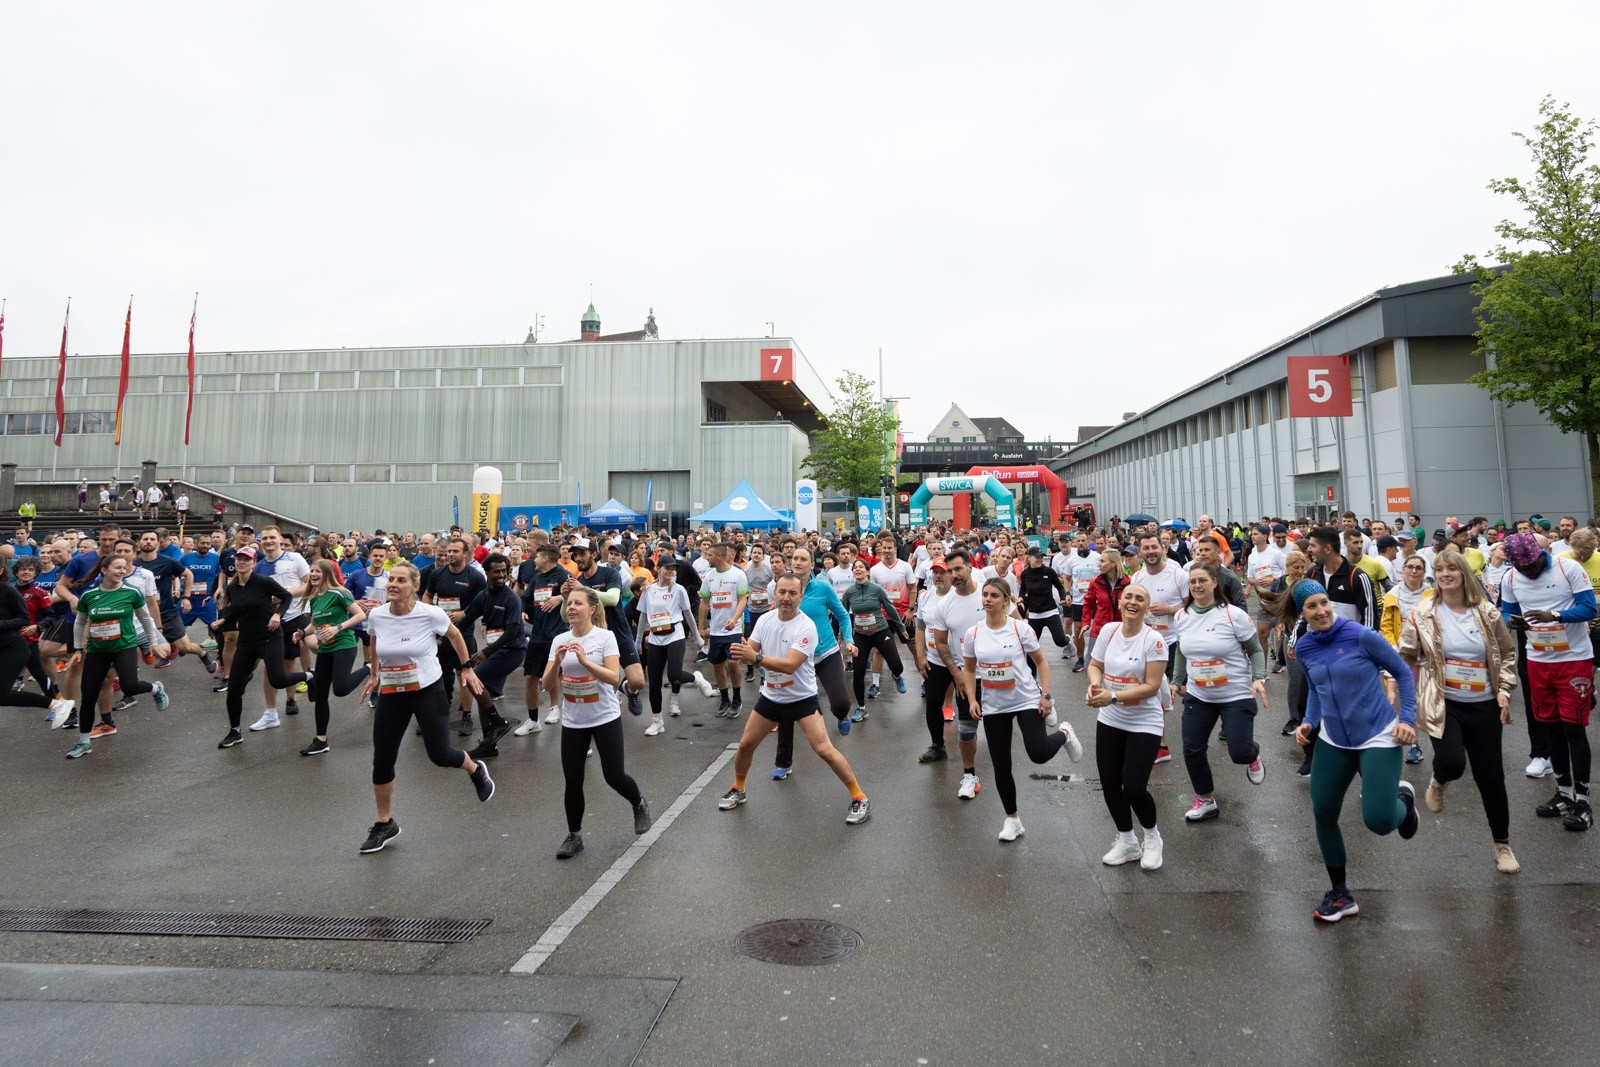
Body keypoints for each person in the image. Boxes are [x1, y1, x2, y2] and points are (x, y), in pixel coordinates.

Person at [1279, 579, 1420, 922]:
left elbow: (1402, 672)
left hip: (1377, 735)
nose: (1321, 611)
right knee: (1323, 811)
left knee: (1379, 821)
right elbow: (1316, 690)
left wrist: (1407, 720)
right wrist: (1309, 722)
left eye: (1324, 602)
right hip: (1334, 739)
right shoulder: (1305, 647)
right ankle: (1340, 894)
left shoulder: (1360, 635)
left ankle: (1403, 804)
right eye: (1312, 606)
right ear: (1302, 613)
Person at [358, 561, 494, 854]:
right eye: (391, 579)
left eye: (401, 580)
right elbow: (375, 640)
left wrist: (466, 667)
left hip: (426, 690)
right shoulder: (378, 615)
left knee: (440, 754)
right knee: (382, 758)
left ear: (415, 586)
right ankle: (384, 823)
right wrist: (374, 674)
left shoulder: (429, 613)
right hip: (392, 691)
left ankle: (474, 768)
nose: (393, 584)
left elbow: (455, 635)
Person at [1398, 548, 1520, 871]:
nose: (1445, 574)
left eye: (1451, 569)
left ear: (1464, 573)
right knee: (1452, 762)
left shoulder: (1486, 612)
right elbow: (1405, 654)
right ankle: (1439, 780)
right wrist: (1394, 689)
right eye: (1440, 570)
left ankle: (1502, 845)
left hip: (1484, 703)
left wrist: (1504, 690)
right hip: (1445, 702)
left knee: (1491, 777)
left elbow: (1507, 653)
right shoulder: (1424, 611)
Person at [720, 573, 871, 825]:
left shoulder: (806, 627)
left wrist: (755, 658)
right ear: (775, 593)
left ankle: (859, 797)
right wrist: (742, 652)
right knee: (745, 745)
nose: (786, 598)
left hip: (801, 699)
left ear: (801, 596)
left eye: (792, 593)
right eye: (782, 592)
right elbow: (752, 651)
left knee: (824, 750)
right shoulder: (765, 620)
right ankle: (739, 788)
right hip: (771, 697)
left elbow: (790, 665)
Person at [960, 577, 1082, 842]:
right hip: (994, 705)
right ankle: (1012, 819)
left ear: (1006, 600)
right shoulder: (974, 633)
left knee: (1038, 753)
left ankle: (1064, 733)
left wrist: (1046, 695)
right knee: (1001, 765)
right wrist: (972, 699)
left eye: (994, 595)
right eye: (985, 594)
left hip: (1025, 699)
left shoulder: (1020, 629)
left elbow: (1041, 662)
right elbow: (969, 669)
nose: (988, 599)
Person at [541, 586, 652, 859]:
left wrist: (584, 661)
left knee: (613, 776)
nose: (571, 608)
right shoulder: (559, 640)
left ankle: (638, 802)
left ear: (592, 609)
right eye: (569, 603)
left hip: (604, 717)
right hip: (574, 720)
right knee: (573, 781)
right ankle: (574, 836)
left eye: (578, 603)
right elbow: (547, 684)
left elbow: (614, 678)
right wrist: (557, 662)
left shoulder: (605, 637)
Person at [1499, 531, 1596, 830]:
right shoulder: (1510, 577)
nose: (1527, 571)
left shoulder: (1569, 568)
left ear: (1541, 555)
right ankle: (1564, 793)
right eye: (1521, 567)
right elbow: (1507, 611)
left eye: (1531, 565)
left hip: (1573, 658)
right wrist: (1512, 621)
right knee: (1550, 726)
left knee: (1573, 728)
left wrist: (1554, 615)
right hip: (1538, 660)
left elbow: (1589, 608)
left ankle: (1583, 801)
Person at [1171, 561, 1268, 823]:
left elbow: (1255, 650)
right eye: (1193, 582)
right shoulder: (1182, 616)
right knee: (1192, 749)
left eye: (1202, 580)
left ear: (1215, 582)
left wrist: (1258, 678)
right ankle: (1205, 800)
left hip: (1235, 694)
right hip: (1199, 695)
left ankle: (1253, 754)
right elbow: (1181, 651)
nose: (1197, 585)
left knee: (1239, 752)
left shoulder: (1232, 615)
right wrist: (1176, 681)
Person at [1085, 582, 1169, 870]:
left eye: (1140, 599)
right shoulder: (1109, 631)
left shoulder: (1153, 640)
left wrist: (1112, 696)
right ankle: (1127, 841)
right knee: (1109, 783)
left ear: (1147, 607)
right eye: (1129, 597)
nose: (1133, 602)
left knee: (1133, 786)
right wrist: (1096, 685)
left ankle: (1152, 837)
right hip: (1110, 718)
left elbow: (1152, 686)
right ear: (1120, 602)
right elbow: (1095, 665)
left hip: (1144, 721)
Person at [65, 556, 172, 759]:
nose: (122, 571)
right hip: (97, 650)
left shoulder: (132, 592)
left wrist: (153, 643)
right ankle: (84, 742)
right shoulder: (90, 595)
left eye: (124, 568)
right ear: (104, 570)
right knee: (88, 697)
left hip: (124, 646)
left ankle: (155, 688)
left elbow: (145, 618)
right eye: (117, 567)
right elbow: (80, 622)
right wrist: (78, 648)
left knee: (129, 686)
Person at [209, 546, 309, 748]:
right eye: (238, 559)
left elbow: (287, 597)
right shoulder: (233, 588)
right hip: (247, 641)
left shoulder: (263, 582)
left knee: (278, 679)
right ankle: (235, 731)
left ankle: (309, 676)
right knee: (234, 689)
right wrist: (223, 621)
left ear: (254, 563)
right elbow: (236, 611)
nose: (241, 562)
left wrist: (277, 614)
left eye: (246, 559)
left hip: (270, 637)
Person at [770, 546, 856, 779]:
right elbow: (775, 621)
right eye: (795, 558)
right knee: (786, 709)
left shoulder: (823, 587)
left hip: (825, 652)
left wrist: (848, 640)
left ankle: (841, 714)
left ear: (811, 564)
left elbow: (842, 615)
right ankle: (783, 764)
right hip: (795, 656)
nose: (797, 562)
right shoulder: (783, 587)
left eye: (803, 559)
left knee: (840, 702)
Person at [918, 549, 985, 795]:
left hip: (974, 665)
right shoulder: (929, 598)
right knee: (934, 703)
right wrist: (920, 656)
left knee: (980, 709)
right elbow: (922, 629)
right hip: (940, 661)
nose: (941, 576)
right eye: (937, 572)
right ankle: (939, 747)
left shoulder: (982, 593)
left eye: (944, 572)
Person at [296, 559, 370, 756]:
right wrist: (302, 633)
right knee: (320, 695)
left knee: (340, 689)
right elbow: (315, 623)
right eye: (311, 571)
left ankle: (369, 668)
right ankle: (321, 740)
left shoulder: (340, 593)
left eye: (318, 571)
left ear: (327, 573)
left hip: (344, 644)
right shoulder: (314, 598)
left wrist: (338, 628)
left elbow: (360, 615)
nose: (313, 574)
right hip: (325, 647)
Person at [632, 555, 712, 732]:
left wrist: (697, 638)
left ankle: (697, 679)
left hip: (675, 635)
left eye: (673, 569)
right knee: (654, 683)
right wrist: (638, 641)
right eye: (667, 568)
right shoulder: (648, 590)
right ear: (658, 569)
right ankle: (657, 721)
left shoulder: (679, 590)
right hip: (655, 638)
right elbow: (643, 616)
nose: (671, 571)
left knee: (674, 675)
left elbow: (688, 614)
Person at [459, 553, 525, 758]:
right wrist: (444, 638)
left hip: (512, 650)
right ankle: (489, 743)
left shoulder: (512, 598)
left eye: (504, 571)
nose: (501, 575)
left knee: (474, 679)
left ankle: (498, 722)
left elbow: (513, 632)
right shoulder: (483, 596)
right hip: (497, 649)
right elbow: (467, 619)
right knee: (483, 691)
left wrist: (485, 652)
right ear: (487, 572)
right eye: (496, 571)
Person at [841, 557, 908, 722]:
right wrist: (843, 637)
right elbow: (843, 615)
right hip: (861, 636)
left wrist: (901, 628)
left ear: (867, 571)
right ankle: (861, 708)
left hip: (880, 631)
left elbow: (890, 608)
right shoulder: (849, 593)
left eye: (861, 567)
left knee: (897, 666)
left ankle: (897, 676)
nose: (857, 569)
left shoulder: (877, 589)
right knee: (858, 673)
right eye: (855, 567)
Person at [696, 542, 750, 714]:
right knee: (717, 665)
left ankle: (737, 699)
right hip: (716, 629)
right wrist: (700, 627)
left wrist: (734, 618)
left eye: (710, 555)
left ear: (719, 556)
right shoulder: (709, 576)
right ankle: (725, 700)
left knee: (733, 662)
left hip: (733, 629)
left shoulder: (738, 574)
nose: (707, 558)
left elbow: (743, 599)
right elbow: (704, 603)